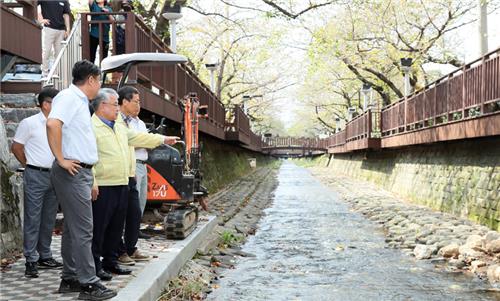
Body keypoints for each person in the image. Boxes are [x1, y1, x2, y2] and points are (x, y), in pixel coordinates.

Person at [89, 88, 176, 280]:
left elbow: (137, 138)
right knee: (100, 228)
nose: (117, 108)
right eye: (114, 104)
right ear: (102, 106)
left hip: (122, 182)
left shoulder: (119, 126)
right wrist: (92, 182)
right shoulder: (91, 127)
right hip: (103, 185)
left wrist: (162, 139)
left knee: (115, 227)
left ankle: (110, 262)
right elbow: (87, 158)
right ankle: (94, 267)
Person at [46, 60, 116, 300]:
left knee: (73, 229)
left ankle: (71, 277)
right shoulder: (68, 97)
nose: (100, 85)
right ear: (92, 80)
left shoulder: (78, 101)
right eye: (99, 80)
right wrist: (61, 159)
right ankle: (88, 283)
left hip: (80, 172)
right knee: (84, 229)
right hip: (71, 171)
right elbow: (53, 123)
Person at [11, 87, 63, 278]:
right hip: (35, 175)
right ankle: (31, 259)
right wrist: (29, 164)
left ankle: (45, 255)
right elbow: (16, 147)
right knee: (33, 218)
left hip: (55, 175)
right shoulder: (29, 123)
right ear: (46, 103)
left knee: (49, 218)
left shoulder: (59, 123)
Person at [115, 86, 156, 265]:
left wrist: (143, 141)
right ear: (124, 101)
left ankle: (132, 246)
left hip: (141, 165)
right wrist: (142, 141)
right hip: (129, 167)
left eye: (140, 102)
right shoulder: (120, 122)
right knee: (126, 210)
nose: (139, 106)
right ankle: (121, 248)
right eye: (136, 102)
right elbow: (135, 142)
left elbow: (144, 144)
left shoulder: (138, 122)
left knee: (138, 209)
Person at [37, 0, 71, 77]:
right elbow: (34, 5)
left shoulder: (64, 1)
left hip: (61, 30)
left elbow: (66, 15)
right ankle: (45, 73)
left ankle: (56, 73)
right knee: (46, 51)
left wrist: (68, 29)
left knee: (58, 53)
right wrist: (40, 20)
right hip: (48, 28)